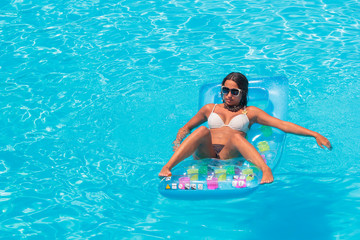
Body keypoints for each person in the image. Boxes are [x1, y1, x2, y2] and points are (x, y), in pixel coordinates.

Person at [159, 72, 332, 184]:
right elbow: (185, 128)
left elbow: (282, 125)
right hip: (205, 154)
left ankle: (265, 170)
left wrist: (314, 134)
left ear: (243, 93)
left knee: (236, 136)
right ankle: (168, 167)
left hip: (230, 156)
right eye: (225, 90)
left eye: (234, 92)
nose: (228, 95)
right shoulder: (209, 108)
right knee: (202, 130)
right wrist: (178, 140)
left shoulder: (250, 112)